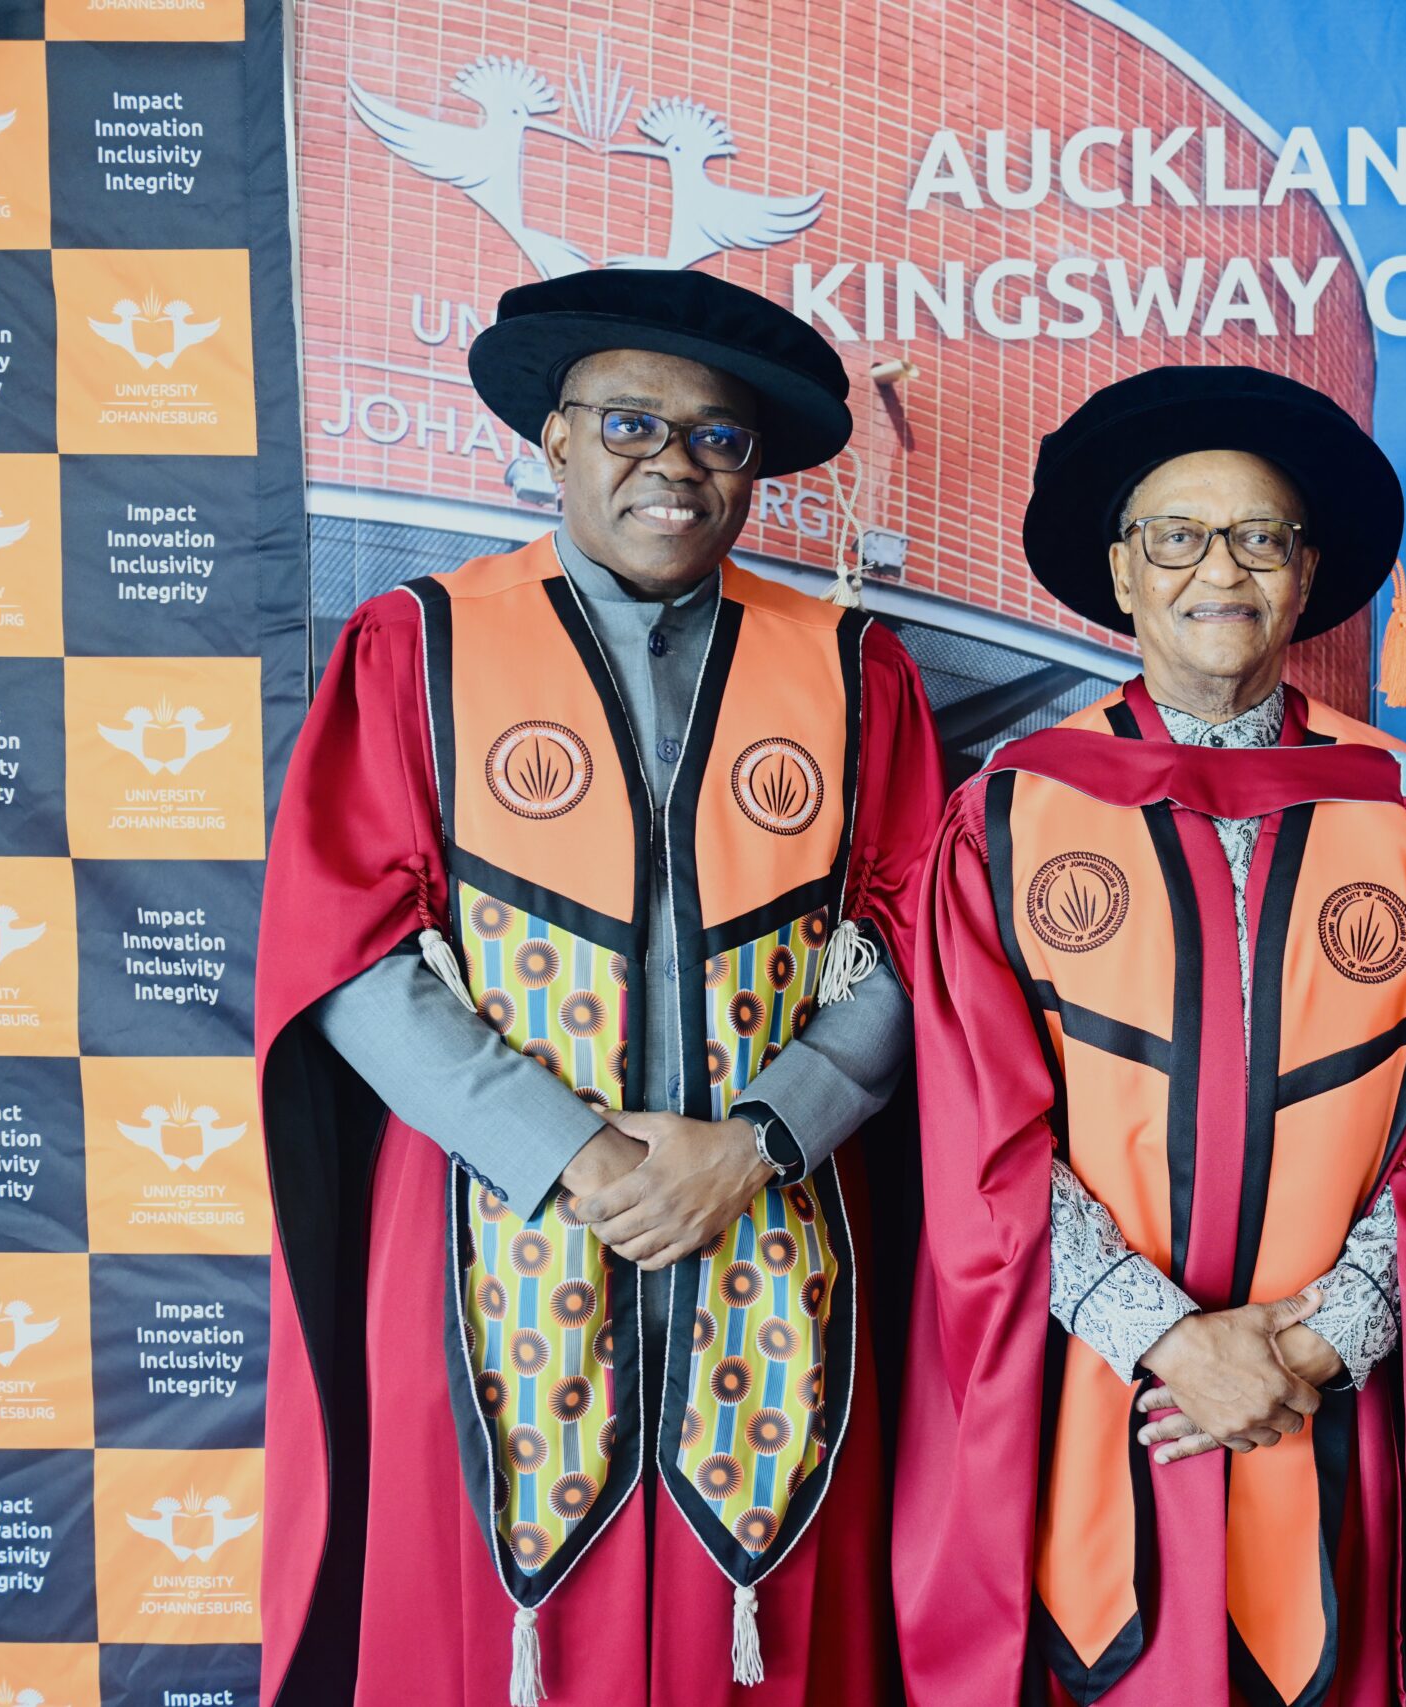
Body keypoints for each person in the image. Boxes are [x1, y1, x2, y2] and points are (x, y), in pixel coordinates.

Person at [254, 268, 943, 1706]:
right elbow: (351, 948)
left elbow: (919, 945)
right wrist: (566, 1152)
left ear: (755, 472)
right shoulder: (422, 647)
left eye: (717, 439)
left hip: (774, 1230)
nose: (673, 467)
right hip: (493, 1231)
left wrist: (761, 1141)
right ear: (556, 440)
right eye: (631, 424)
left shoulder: (850, 671)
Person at [895, 366, 1406, 1707]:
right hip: (1103, 1388)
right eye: (1177, 536)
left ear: (1307, 581)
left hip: (1336, 1394)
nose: (1221, 570)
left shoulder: (1404, 820)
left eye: (1261, 538)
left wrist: (1316, 1342)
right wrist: (1174, 1343)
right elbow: (977, 1134)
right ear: (1121, 573)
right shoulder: (1012, 815)